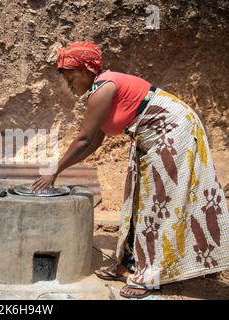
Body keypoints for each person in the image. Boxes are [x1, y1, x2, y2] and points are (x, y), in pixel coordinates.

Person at [31, 41, 229, 299]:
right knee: (137, 201)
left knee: (159, 204)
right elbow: (95, 141)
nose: (69, 84)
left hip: (174, 132)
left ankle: (150, 277)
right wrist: (59, 169)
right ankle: (130, 264)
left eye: (72, 77)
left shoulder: (104, 88)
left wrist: (53, 172)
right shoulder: (101, 89)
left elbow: (83, 139)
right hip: (153, 137)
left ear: (88, 70)